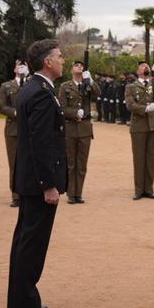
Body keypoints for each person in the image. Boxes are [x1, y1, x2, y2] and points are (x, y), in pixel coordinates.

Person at [7, 39, 68, 308]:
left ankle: (24, 298)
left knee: (26, 240)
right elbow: (41, 143)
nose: (63, 59)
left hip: (29, 179)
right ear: (47, 62)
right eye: (59, 56)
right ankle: (23, 303)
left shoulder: (34, 87)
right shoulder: (41, 93)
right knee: (32, 242)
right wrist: (49, 184)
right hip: (38, 182)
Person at [58, 61, 97, 205]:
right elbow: (61, 108)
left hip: (85, 129)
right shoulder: (65, 86)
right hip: (71, 128)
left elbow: (98, 93)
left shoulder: (87, 83)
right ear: (71, 70)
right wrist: (74, 113)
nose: (79, 67)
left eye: (81, 66)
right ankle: (71, 193)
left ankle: (78, 193)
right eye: (76, 65)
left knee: (82, 164)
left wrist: (91, 81)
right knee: (70, 163)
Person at [125, 62, 154, 200]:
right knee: (139, 158)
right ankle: (139, 190)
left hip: (152, 125)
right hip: (139, 125)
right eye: (142, 66)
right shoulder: (131, 86)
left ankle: (149, 189)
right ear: (137, 70)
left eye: (148, 66)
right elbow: (130, 104)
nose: (145, 68)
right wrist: (144, 109)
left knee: (151, 158)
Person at [0, 61, 28, 207]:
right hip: (13, 129)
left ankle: (28, 194)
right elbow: (1, 106)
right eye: (19, 65)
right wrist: (15, 112)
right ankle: (16, 195)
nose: (21, 67)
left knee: (29, 163)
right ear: (14, 68)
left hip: (30, 130)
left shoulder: (32, 85)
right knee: (14, 163)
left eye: (24, 65)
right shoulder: (6, 86)